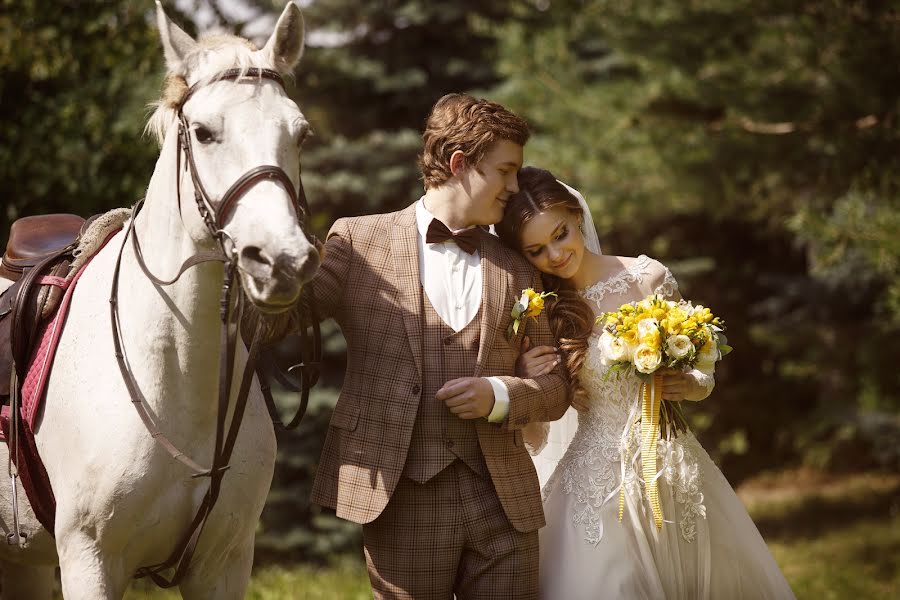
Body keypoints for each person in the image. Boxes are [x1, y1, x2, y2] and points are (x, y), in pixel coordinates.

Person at [305, 96, 569, 599]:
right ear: (459, 164)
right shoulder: (359, 242)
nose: (515, 188)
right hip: (402, 496)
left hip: (504, 502)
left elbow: (555, 388)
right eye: (506, 171)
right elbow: (285, 316)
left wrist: (502, 394)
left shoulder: (517, 267)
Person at [496, 167, 795, 599]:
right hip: (597, 481)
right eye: (537, 250)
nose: (556, 255)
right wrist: (527, 380)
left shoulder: (645, 277)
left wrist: (690, 384)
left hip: (674, 467)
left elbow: (702, 368)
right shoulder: (544, 310)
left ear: (576, 215)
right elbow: (538, 432)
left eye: (560, 234)